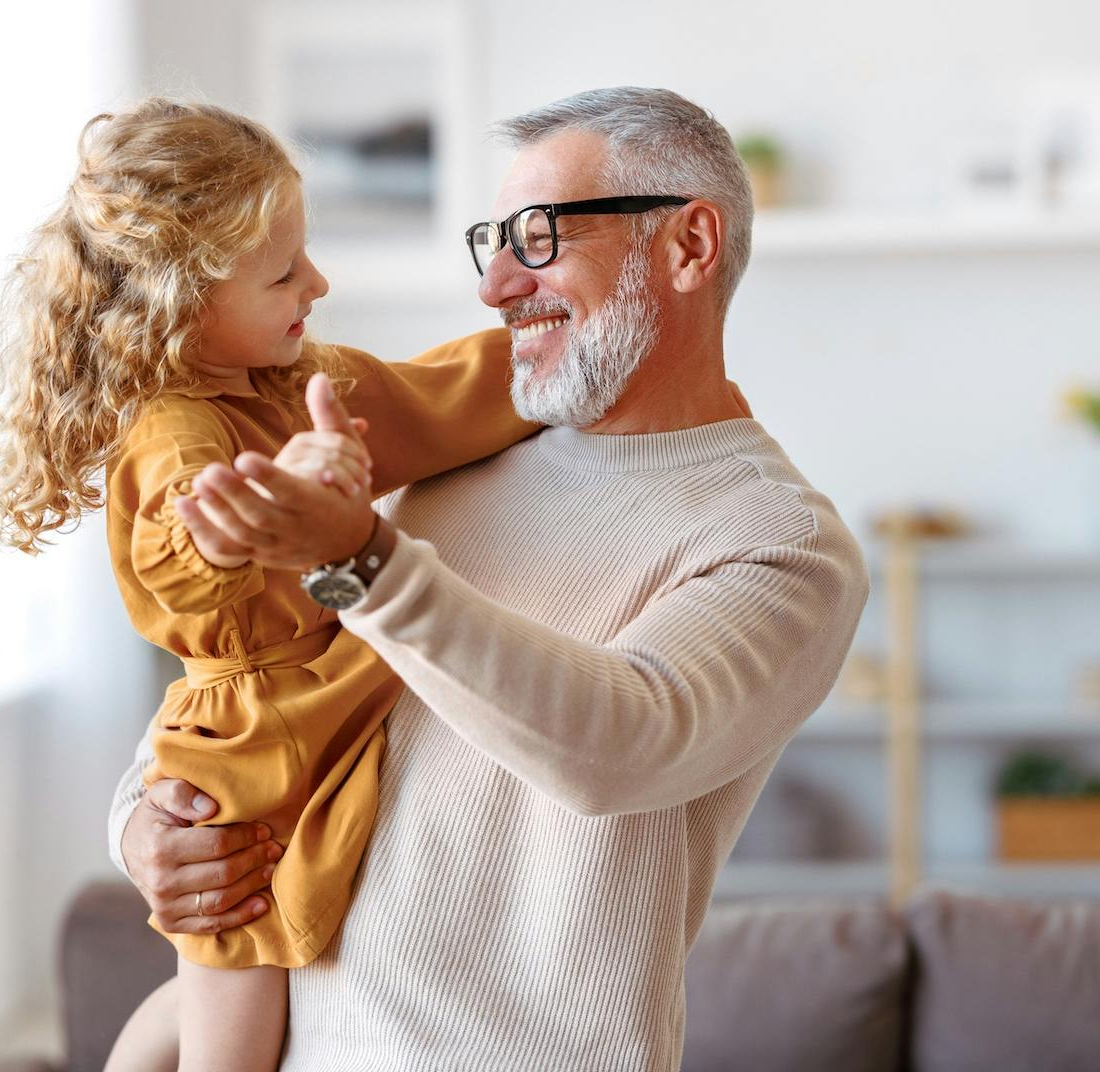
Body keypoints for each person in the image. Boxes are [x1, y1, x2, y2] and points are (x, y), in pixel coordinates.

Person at [108, 87, 871, 1070]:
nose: (498, 284)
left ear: (688, 246)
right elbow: (260, 676)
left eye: (542, 237)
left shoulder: (780, 541)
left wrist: (360, 557)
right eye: (493, 240)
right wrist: (144, 822)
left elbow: (618, 744)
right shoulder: (442, 461)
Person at [0, 98, 537, 1072]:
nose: (317, 281)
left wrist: (550, 356)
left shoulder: (296, 382)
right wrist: (280, 501)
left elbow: (433, 398)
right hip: (247, 751)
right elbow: (186, 551)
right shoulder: (175, 430)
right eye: (284, 273)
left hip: (322, 688)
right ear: (182, 304)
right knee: (233, 1015)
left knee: (215, 1009)